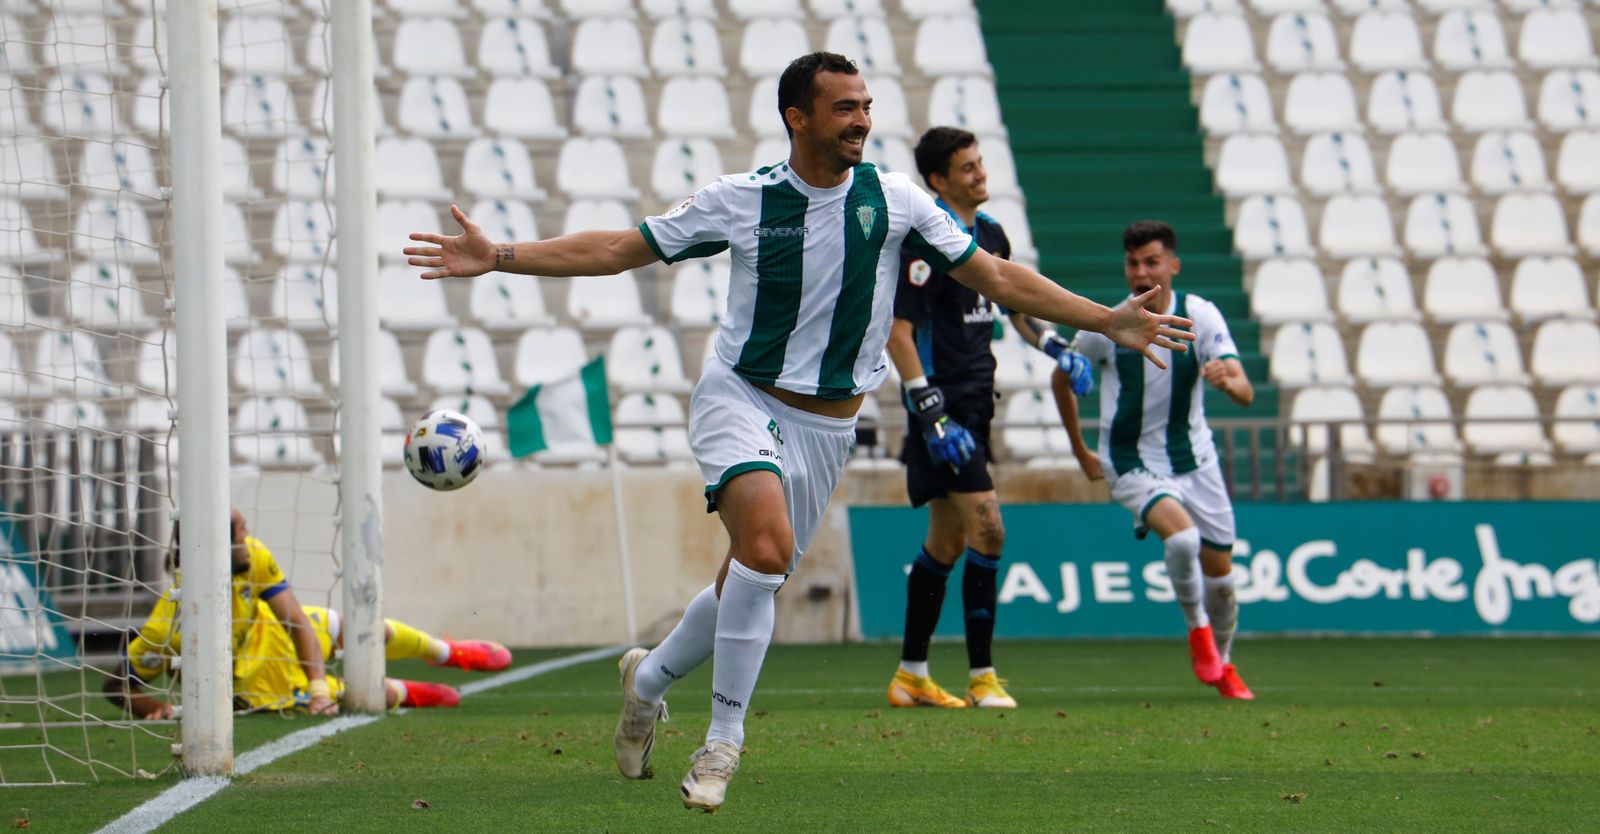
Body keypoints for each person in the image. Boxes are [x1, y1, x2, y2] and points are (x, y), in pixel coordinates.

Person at [402, 52, 1194, 811]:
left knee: (750, 577)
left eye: (866, 107)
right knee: (768, 551)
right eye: (844, 108)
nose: (861, 120)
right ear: (797, 117)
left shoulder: (895, 201)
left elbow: (994, 276)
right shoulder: (742, 199)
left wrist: (1105, 320)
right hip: (741, 396)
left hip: (829, 427)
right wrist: (499, 254)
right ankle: (722, 742)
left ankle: (644, 685)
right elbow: (618, 248)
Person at [884, 127, 1095, 711]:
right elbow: (900, 334)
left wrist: (1056, 347)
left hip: (979, 405)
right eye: (967, 167)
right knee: (989, 528)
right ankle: (983, 678)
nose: (980, 173)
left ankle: (911, 675)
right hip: (943, 413)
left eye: (981, 163)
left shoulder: (992, 236)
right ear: (937, 180)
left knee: (947, 541)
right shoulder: (926, 243)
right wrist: (929, 414)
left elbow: (1017, 307)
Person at [1050, 221, 1255, 700]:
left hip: (1195, 460)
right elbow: (1063, 379)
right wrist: (1081, 449)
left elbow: (1244, 391)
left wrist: (1227, 381)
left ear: (1173, 266)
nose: (1141, 273)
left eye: (1151, 262)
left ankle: (1223, 665)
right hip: (1130, 459)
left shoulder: (1200, 317)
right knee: (1183, 539)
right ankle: (1198, 632)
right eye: (1132, 263)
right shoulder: (1109, 324)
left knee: (1222, 581)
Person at [104, 509, 513, 719]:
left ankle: (446, 652)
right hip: (260, 684)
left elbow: (296, 619)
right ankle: (409, 692)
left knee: (357, 628)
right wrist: (151, 707)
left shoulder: (254, 558)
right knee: (364, 695)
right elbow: (116, 688)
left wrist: (316, 683)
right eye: (241, 532)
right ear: (214, 546)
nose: (249, 538)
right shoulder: (168, 626)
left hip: (276, 632)